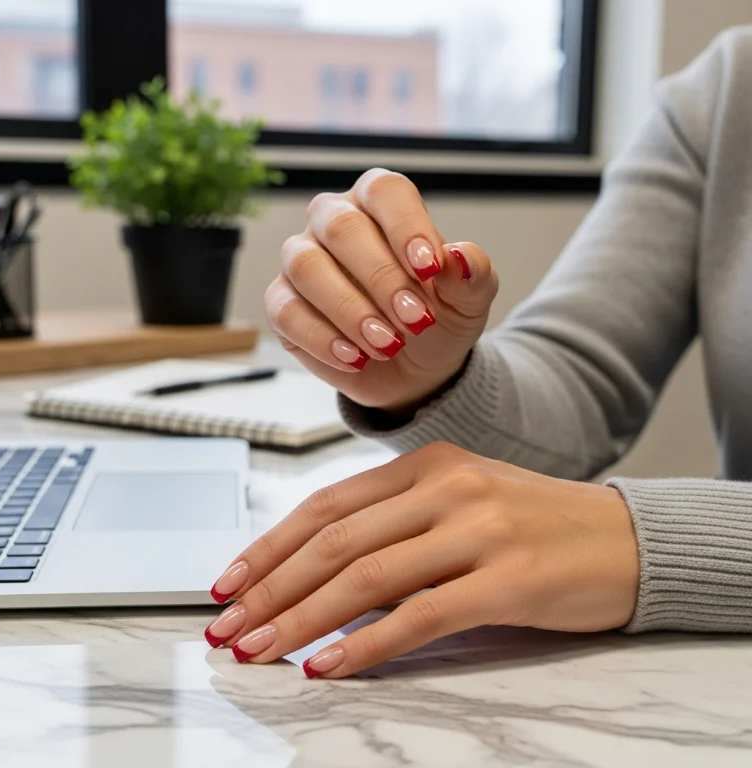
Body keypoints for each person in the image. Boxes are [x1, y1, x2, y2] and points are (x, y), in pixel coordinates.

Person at [204, 27, 752, 679]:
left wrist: (653, 540)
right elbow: (580, 374)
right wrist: (436, 380)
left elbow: (639, 535)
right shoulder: (731, 88)